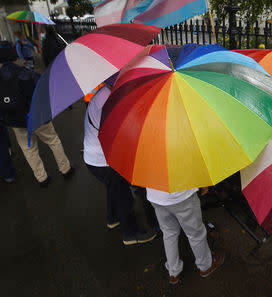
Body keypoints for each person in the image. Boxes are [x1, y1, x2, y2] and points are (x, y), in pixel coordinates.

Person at [83, 83, 156, 245]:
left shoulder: (103, 93)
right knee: (124, 196)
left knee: (113, 188)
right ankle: (130, 234)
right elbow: (120, 135)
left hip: (93, 157)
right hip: (103, 161)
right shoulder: (109, 100)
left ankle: (113, 217)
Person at [0, 47, 73, 187]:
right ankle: (66, 169)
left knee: (29, 150)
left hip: (16, 123)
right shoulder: (26, 74)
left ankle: (42, 178)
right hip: (36, 117)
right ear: (14, 57)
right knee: (53, 141)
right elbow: (45, 90)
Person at [146, 187, 225, 284]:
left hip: (155, 194)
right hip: (182, 194)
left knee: (169, 233)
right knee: (195, 234)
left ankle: (173, 271)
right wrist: (202, 184)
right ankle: (205, 266)